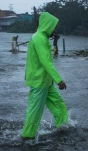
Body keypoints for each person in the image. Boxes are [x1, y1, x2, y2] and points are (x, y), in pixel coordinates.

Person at [21, 12, 68, 140]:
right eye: (54, 26)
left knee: (58, 103)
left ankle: (63, 125)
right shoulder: (38, 38)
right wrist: (58, 80)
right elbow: (45, 62)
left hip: (46, 82)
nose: (55, 29)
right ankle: (26, 136)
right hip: (39, 82)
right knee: (35, 112)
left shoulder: (42, 38)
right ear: (48, 25)